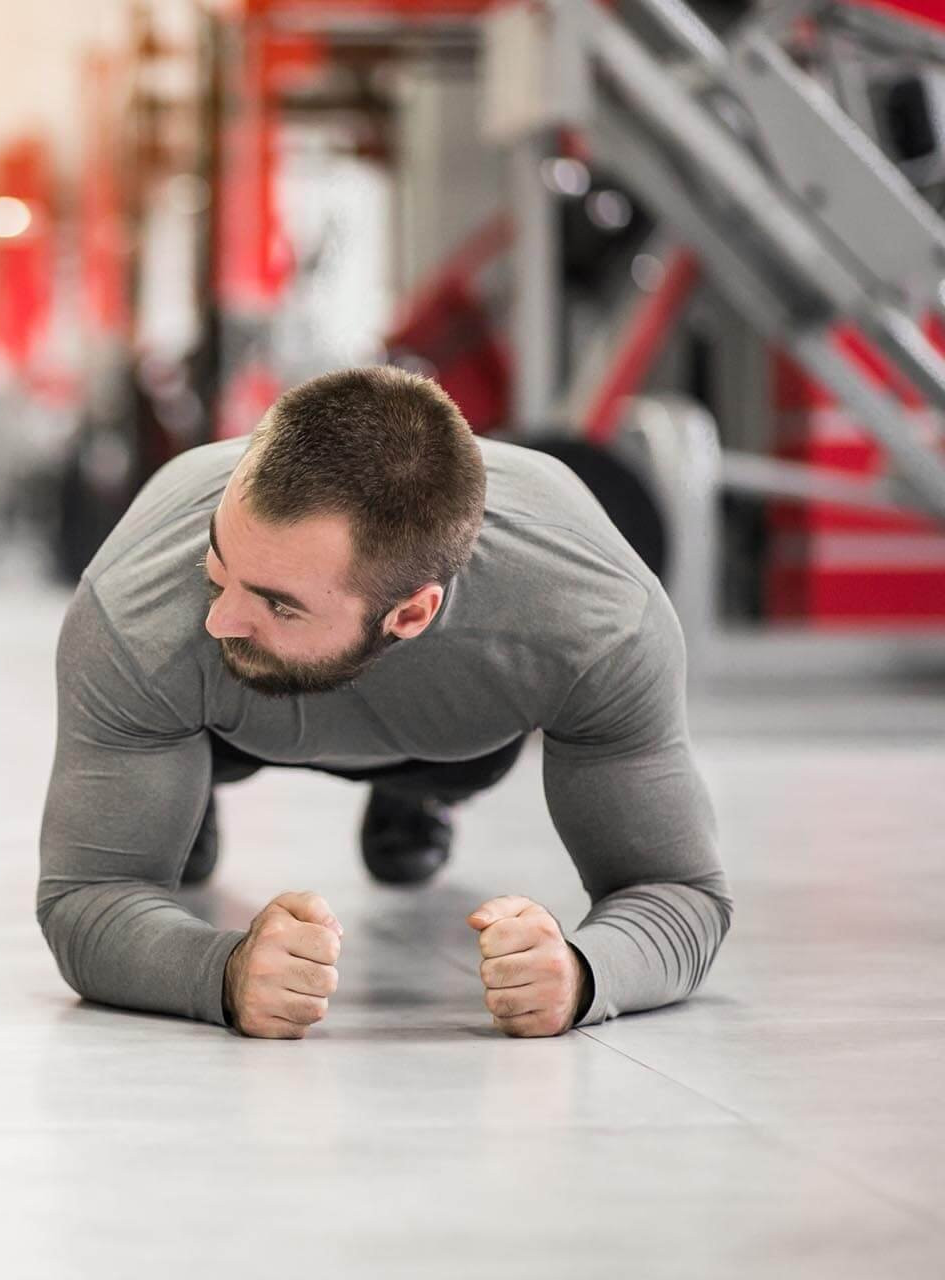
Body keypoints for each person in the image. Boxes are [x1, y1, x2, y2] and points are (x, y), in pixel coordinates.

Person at [37, 366, 731, 1039]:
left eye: (278, 602)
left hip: (456, 737)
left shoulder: (595, 622)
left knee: (448, 751)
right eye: (220, 566)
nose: (220, 618)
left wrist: (582, 974)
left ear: (411, 614)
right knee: (171, 794)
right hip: (223, 724)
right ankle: (190, 786)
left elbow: (683, 896)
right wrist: (220, 971)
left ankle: (415, 792)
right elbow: (88, 899)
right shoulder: (137, 606)